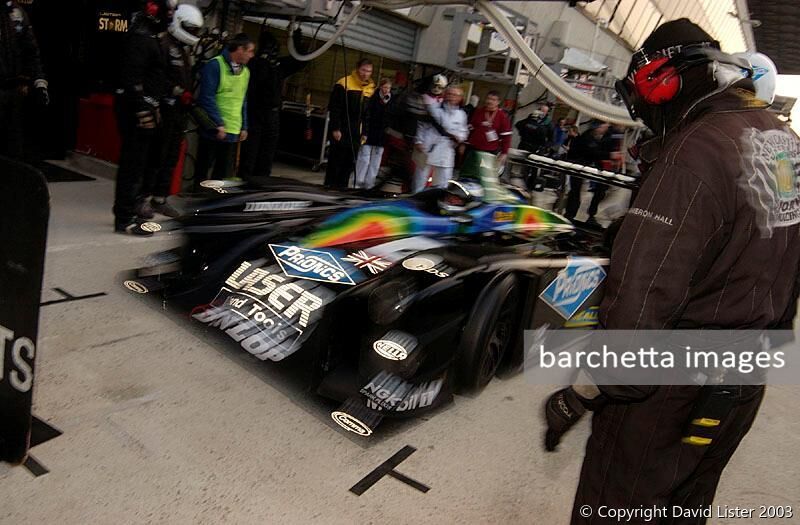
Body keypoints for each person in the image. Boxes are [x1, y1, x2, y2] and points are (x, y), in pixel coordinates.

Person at [543, 19, 800, 524]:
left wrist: (582, 392)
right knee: (685, 508)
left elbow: (641, 303)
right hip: (742, 381)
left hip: (668, 393)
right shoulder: (783, 141)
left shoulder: (693, 153)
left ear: (664, 83)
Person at [136, 3, 203, 219]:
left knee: (171, 157)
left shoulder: (184, 50)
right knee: (156, 155)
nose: (193, 34)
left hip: (179, 113)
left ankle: (160, 198)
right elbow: (155, 76)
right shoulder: (163, 44)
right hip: (163, 108)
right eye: (190, 29)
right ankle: (143, 198)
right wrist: (174, 91)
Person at [112, 0, 172, 235]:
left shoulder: (153, 38)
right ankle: (124, 219)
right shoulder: (140, 38)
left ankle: (131, 210)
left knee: (141, 164)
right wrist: (141, 108)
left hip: (148, 108)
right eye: (166, 12)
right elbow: (131, 78)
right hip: (136, 111)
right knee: (132, 165)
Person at [238, 27, 306, 181]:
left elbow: (301, 60)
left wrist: (297, 39)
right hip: (255, 113)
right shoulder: (254, 64)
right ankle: (245, 183)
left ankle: (261, 184)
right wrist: (264, 60)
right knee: (250, 154)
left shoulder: (278, 65)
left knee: (267, 155)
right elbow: (258, 78)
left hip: (272, 115)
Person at [194, 33, 254, 187]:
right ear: (240, 49)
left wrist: (244, 126)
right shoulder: (215, 65)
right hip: (214, 129)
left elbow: (243, 100)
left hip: (233, 130)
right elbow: (207, 97)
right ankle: (197, 197)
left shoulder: (245, 72)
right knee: (203, 167)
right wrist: (218, 123)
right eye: (250, 51)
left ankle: (213, 200)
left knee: (222, 172)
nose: (252, 55)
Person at [0, 0, 48, 160]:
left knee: (13, 152)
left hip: (12, 92)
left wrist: (40, 83)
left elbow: (31, 52)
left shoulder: (17, 14)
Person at [324, 57, 374, 188]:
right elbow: (335, 108)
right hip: (342, 129)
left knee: (349, 163)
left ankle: (342, 189)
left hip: (356, 132)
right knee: (336, 162)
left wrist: (365, 132)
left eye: (369, 71)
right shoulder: (344, 83)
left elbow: (367, 114)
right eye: (363, 70)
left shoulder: (370, 88)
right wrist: (335, 128)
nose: (365, 73)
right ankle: (329, 187)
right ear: (358, 69)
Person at [412, 86, 468, 192]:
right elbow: (421, 125)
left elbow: (463, 132)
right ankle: (416, 199)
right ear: (445, 94)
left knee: (443, 181)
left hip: (446, 150)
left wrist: (459, 138)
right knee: (420, 179)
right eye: (450, 94)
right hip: (429, 147)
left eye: (455, 95)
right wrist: (418, 141)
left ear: (460, 98)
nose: (452, 97)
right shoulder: (434, 108)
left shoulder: (461, 115)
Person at [562, 121, 610, 225]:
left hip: (590, 168)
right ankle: (570, 215)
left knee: (597, 192)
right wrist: (609, 155)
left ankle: (587, 215)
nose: (605, 129)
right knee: (575, 192)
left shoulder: (599, 138)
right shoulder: (586, 138)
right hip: (580, 167)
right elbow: (593, 152)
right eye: (603, 126)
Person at [354, 77, 392, 189]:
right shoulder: (373, 98)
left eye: (388, 88)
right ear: (380, 87)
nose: (386, 90)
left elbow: (390, 117)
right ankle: (358, 181)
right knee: (364, 158)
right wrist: (364, 132)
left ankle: (369, 183)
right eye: (385, 87)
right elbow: (367, 115)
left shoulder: (391, 100)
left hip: (382, 135)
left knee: (376, 161)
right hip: (370, 132)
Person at [464, 90, 512, 168]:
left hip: (490, 150)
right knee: (469, 171)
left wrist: (504, 153)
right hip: (473, 148)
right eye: (488, 98)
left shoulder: (502, 116)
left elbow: (506, 136)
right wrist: (464, 143)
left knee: (483, 173)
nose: (489, 101)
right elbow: (470, 129)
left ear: (498, 102)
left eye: (493, 100)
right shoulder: (478, 111)